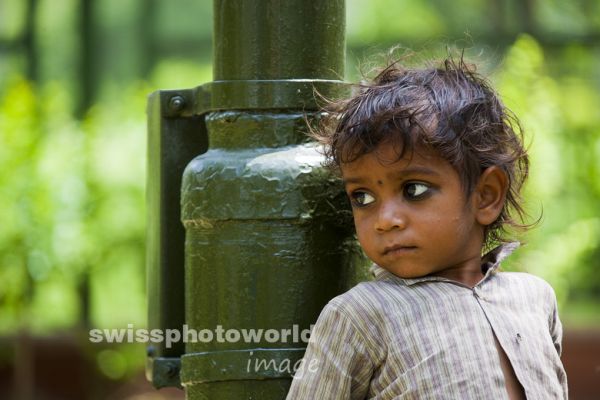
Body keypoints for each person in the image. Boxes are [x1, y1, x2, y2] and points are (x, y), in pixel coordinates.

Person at [286, 54, 568, 399]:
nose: (386, 220)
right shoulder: (361, 316)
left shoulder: (535, 299)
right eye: (362, 197)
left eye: (413, 190)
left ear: (486, 196)